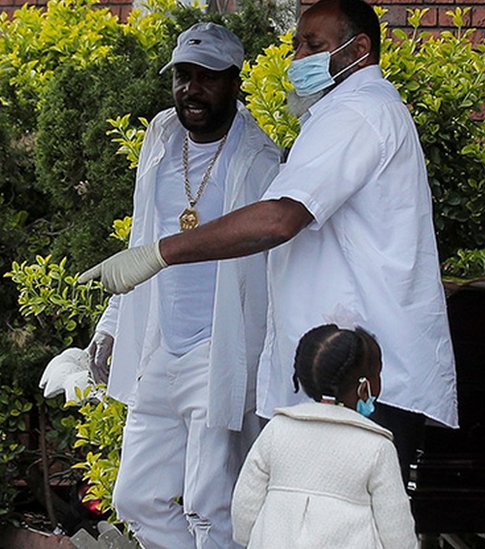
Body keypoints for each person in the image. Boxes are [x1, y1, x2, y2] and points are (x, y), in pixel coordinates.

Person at [79, 0, 458, 477]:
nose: (298, 58)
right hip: (337, 369)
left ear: (359, 48)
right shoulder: (341, 114)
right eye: (297, 45)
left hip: (360, 373)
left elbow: (280, 219)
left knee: (337, 511)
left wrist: (161, 253)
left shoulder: (357, 114)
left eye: (313, 46)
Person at [82, 22, 280, 549]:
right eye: (182, 76)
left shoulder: (258, 158)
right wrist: (113, 323)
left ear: (235, 81)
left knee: (209, 506)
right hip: (160, 344)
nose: (191, 89)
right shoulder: (162, 136)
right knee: (135, 498)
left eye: (206, 77)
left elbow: (270, 262)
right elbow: (143, 237)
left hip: (219, 348)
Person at [231, 324, 417, 549]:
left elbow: (244, 511)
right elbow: (397, 534)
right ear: (364, 387)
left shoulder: (277, 429)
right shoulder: (377, 447)